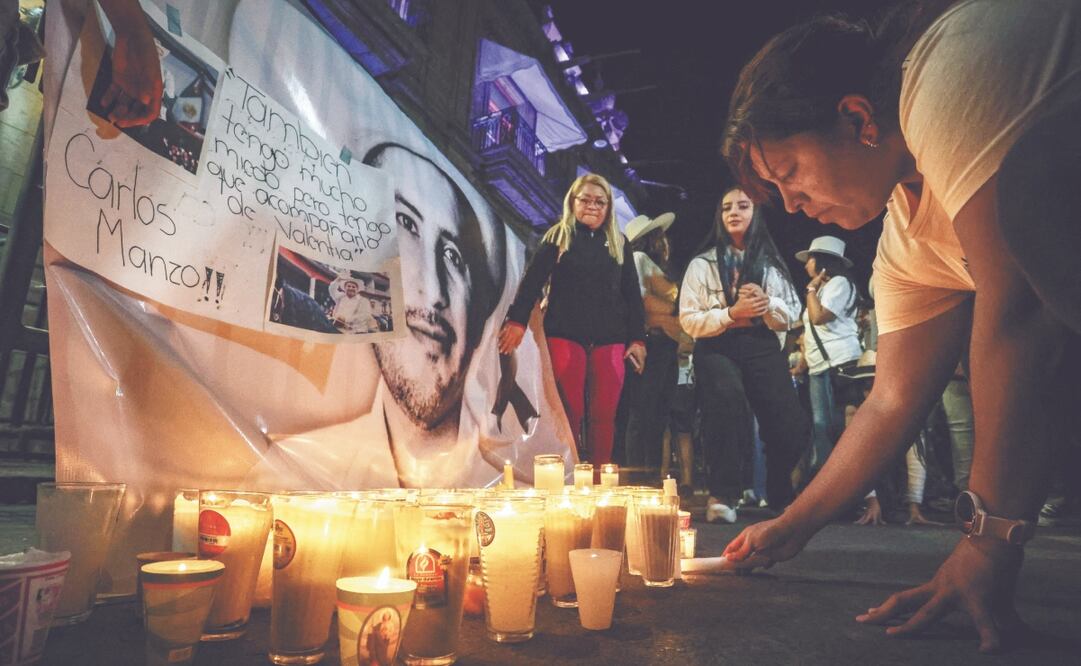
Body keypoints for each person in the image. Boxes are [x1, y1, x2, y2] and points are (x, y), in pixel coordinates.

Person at [720, 1, 1081, 652]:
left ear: (856, 117)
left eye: (790, 175)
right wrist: (793, 527)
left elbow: (1018, 312)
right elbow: (889, 400)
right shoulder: (908, 240)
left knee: (1027, 197)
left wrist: (987, 544)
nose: (795, 207)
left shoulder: (945, 76)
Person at [254, 142, 508, 488]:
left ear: (480, 322)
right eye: (405, 223)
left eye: (454, 257)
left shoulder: (510, 496)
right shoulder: (290, 476)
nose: (434, 293)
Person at [499, 173, 646, 468]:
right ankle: (568, 472)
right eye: (586, 199)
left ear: (608, 208)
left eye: (600, 201)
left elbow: (632, 294)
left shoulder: (619, 242)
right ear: (573, 202)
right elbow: (532, 282)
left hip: (610, 337)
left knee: (605, 412)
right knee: (569, 409)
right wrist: (517, 321)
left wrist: (638, 339)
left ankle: (598, 481)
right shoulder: (558, 237)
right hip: (565, 332)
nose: (593, 206)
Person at [679, 185, 806, 523]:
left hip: (762, 346)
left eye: (743, 206)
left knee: (788, 423)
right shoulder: (702, 264)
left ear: (756, 213)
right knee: (725, 402)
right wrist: (731, 314)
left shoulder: (770, 265)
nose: (733, 212)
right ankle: (723, 493)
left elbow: (792, 314)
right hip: (718, 345)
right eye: (726, 207)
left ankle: (780, 491)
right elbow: (689, 319)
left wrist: (767, 304)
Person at [622, 212, 683, 473]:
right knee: (642, 413)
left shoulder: (654, 266)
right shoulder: (638, 259)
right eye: (660, 236)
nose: (665, 241)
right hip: (651, 343)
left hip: (666, 345)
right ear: (650, 239)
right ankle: (639, 476)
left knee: (658, 415)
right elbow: (639, 299)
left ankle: (651, 474)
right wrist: (676, 311)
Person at [796, 236, 863, 473]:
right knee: (822, 426)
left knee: (831, 426)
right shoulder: (824, 288)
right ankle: (826, 480)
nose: (806, 264)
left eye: (810, 259)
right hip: (819, 366)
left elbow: (818, 317)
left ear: (822, 262)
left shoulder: (839, 283)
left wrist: (811, 290)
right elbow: (812, 331)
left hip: (839, 362)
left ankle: (836, 479)